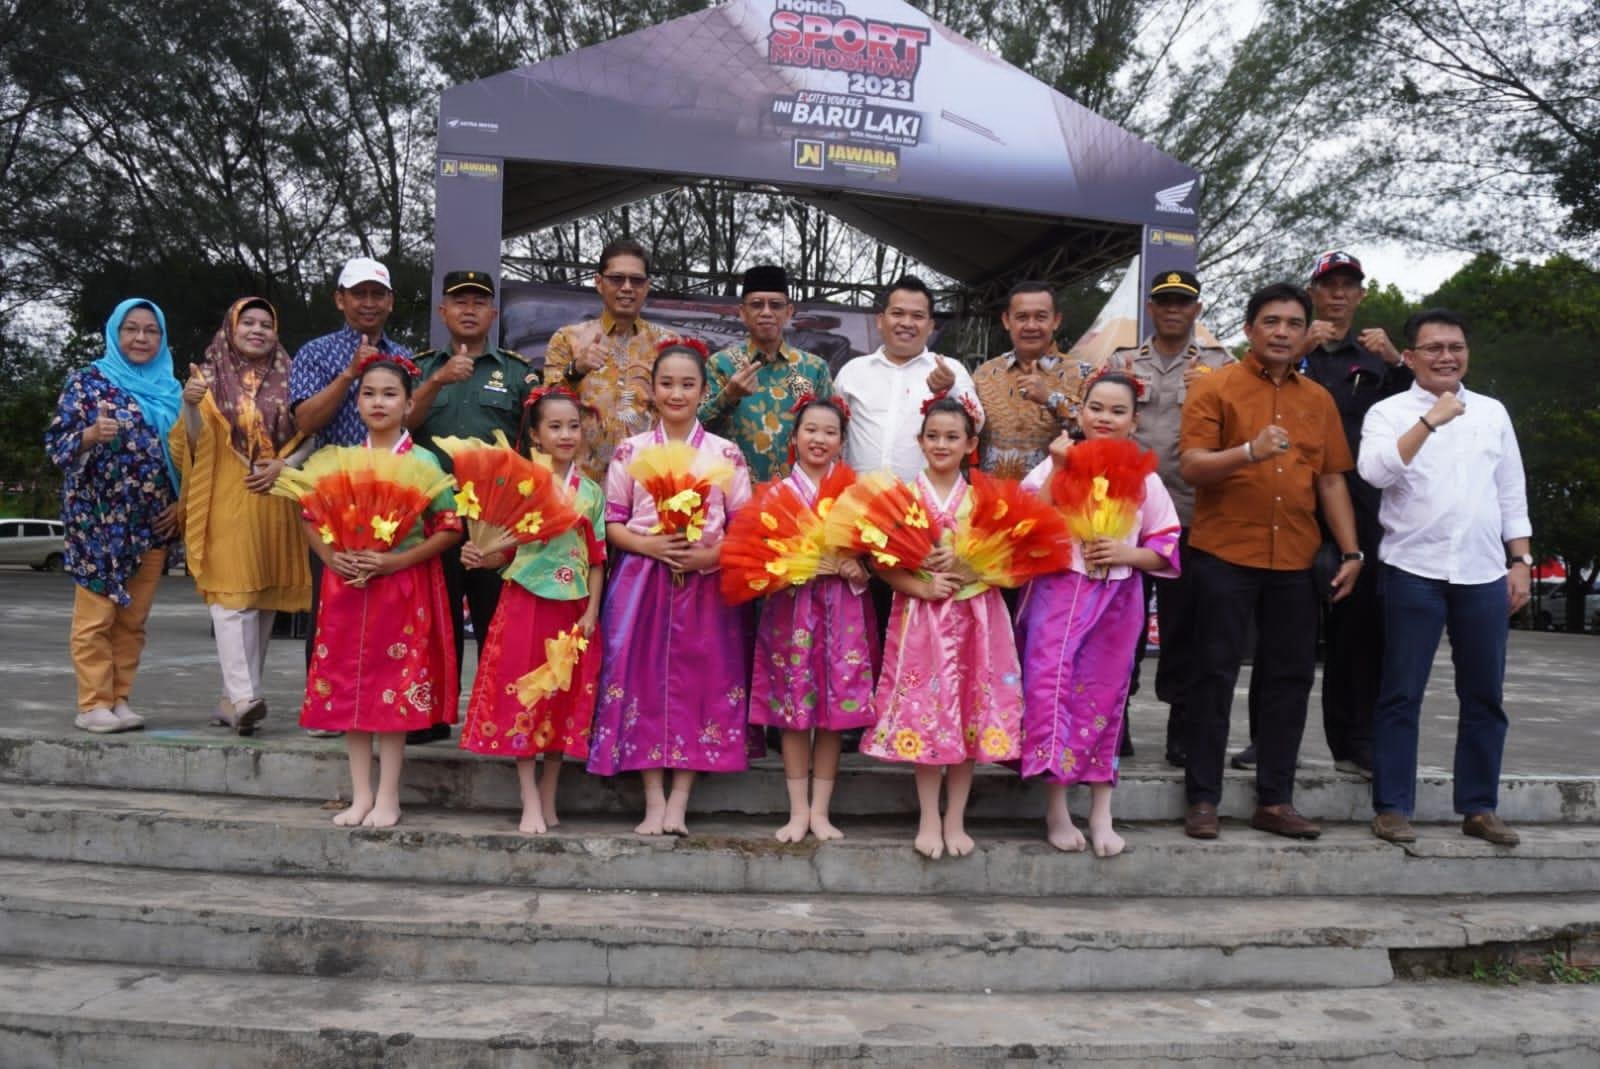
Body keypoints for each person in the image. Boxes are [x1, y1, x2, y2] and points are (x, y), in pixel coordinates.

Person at [1177, 282, 1364, 841]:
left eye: (1291, 323)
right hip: (1223, 552)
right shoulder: (1216, 387)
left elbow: (1330, 478)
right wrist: (1248, 452)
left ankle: (1275, 799)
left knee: (1289, 678)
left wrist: (1351, 551)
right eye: (1270, 321)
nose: (1281, 331)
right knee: (1213, 675)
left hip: (1296, 557)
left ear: (1306, 333)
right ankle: (1202, 798)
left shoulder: (1319, 399)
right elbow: (1191, 466)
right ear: (1248, 329)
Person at [1358, 309, 1531, 847]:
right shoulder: (1389, 412)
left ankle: (1479, 806)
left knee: (1484, 694)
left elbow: (1510, 490)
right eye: (1432, 348)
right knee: (1401, 693)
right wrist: (1432, 419)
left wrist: (1521, 560)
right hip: (1414, 570)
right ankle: (1391, 807)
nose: (1446, 356)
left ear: (1466, 353)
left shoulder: (1493, 413)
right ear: (1409, 358)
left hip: (1482, 574)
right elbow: (1375, 472)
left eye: (1455, 346)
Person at [586, 340, 755, 836]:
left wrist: (709, 556)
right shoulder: (631, 451)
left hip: (707, 588)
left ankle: (680, 799)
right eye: (667, 384)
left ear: (704, 391)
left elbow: (744, 528)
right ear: (652, 391)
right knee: (639, 682)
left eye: (688, 384)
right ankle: (653, 799)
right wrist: (651, 548)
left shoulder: (725, 453)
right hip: (642, 583)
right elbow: (612, 524)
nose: (677, 393)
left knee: (701, 686)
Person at [1016, 371, 1181, 856]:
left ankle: (1102, 810)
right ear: (1080, 411)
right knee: (1049, 690)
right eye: (1096, 408)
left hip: (1116, 601)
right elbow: (1022, 526)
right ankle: (1056, 808)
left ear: (1134, 420)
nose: (1104, 418)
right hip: (1056, 596)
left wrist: (1125, 554)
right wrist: (1056, 469)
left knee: (1105, 699)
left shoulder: (1146, 479)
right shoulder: (1054, 463)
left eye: (1117, 411)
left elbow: (1166, 548)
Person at [299, 355, 461, 828]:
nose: (378, 402)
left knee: (393, 692)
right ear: (357, 401)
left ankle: (389, 795)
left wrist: (395, 560)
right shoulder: (341, 460)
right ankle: (360, 795)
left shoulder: (424, 461)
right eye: (369, 393)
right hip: (346, 588)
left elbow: (450, 528)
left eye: (390, 394)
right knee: (350, 692)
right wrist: (331, 557)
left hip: (400, 591)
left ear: (410, 404)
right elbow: (309, 518)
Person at [861, 395, 1022, 859]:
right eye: (932, 436)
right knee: (927, 714)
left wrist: (973, 566)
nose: (941, 444)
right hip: (922, 619)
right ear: (919, 441)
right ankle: (930, 816)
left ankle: (957, 818)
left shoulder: (987, 496)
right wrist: (917, 585)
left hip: (978, 620)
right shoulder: (903, 497)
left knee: (970, 711)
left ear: (971, 443)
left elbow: (1012, 563)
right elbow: (879, 562)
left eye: (952, 437)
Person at [1281, 250, 1412, 779]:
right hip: (1290, 503)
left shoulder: (1378, 357)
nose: (1337, 294)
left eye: (1348, 286)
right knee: (1285, 628)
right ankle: (1270, 739)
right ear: (1312, 292)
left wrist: (1400, 363)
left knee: (1358, 631)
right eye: (1328, 285)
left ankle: (1353, 741)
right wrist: (1294, 353)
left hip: (1360, 508)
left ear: (1360, 295)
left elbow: (1421, 410)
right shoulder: (1291, 348)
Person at [458, 387, 605, 834]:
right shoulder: (520, 484)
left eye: (573, 426)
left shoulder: (592, 493)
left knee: (560, 702)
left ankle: (548, 793)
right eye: (554, 426)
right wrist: (483, 556)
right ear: (537, 436)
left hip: (573, 609)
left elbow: (597, 559)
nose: (566, 434)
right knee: (528, 696)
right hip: (525, 603)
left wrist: (592, 612)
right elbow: (505, 551)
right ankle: (528, 796)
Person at [1105, 270, 1232, 767]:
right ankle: (1118, 719)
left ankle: (1182, 726)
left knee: (1185, 628)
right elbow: (1098, 421)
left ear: (1197, 309)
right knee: (1123, 627)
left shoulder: (1221, 367)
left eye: (1183, 302)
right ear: (1151, 309)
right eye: (1165, 302)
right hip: (1125, 520)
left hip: (1192, 515)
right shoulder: (1120, 363)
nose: (1174, 309)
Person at [171, 297, 312, 734]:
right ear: (230, 328)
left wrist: (283, 467)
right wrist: (191, 405)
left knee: (261, 601)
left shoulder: (294, 375)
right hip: (227, 495)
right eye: (247, 322)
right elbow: (191, 446)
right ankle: (244, 696)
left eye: (265, 323)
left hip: (275, 496)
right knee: (231, 600)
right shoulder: (206, 377)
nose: (257, 330)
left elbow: (311, 435)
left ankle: (235, 699)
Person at [44, 299, 182, 734]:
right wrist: (90, 434)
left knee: (133, 620)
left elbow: (189, 456)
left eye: (150, 331)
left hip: (154, 521)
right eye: (131, 329)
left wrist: (183, 503)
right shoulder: (87, 382)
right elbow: (56, 445)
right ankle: (92, 703)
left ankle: (119, 699)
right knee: (96, 616)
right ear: (114, 333)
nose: (141, 339)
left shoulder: (173, 390)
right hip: (98, 521)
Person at [407, 270, 538, 722]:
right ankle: (431, 715)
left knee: (495, 619)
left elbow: (533, 442)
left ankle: (491, 714)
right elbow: (402, 424)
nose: (468, 310)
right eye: (459, 302)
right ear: (443, 311)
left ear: (493, 314)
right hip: (434, 516)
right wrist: (438, 381)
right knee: (433, 621)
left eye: (478, 303)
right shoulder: (421, 368)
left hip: (494, 520)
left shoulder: (517, 372)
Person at [746, 396, 878, 842]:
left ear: (842, 442)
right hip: (791, 612)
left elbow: (875, 561)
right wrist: (794, 567)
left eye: (829, 432)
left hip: (843, 614)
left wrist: (855, 569)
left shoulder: (858, 495)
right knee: (792, 709)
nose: (819, 439)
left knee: (831, 714)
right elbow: (756, 564)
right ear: (795, 437)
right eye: (811, 430)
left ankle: (821, 811)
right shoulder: (775, 494)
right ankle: (797, 810)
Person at [288, 257, 411, 725]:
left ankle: (378, 703)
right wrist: (349, 375)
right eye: (358, 293)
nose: (368, 302)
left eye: (377, 294)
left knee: (385, 605)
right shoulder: (316, 353)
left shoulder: (402, 356)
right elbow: (305, 421)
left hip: (390, 496)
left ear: (390, 302)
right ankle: (328, 707)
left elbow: (410, 421)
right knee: (331, 603)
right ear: (340, 299)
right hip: (333, 496)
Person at [543, 239, 676, 481]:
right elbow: (545, 409)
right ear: (598, 282)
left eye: (636, 280)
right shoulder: (567, 339)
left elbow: (687, 410)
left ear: (647, 287)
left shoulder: (668, 344)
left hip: (648, 483)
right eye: (617, 279)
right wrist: (577, 369)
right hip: (581, 481)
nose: (627, 287)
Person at [833, 275, 984, 481]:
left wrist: (951, 389)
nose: (906, 323)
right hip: (859, 501)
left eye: (918, 316)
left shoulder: (950, 371)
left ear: (931, 326)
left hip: (925, 504)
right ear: (880, 320)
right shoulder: (852, 371)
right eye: (897, 313)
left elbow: (977, 424)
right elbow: (832, 430)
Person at [699, 265, 834, 482]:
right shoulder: (721, 365)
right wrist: (729, 396)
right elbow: (695, 428)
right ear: (743, 312)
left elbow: (833, 433)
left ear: (789, 312)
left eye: (776, 305)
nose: (766, 312)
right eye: (757, 305)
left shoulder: (812, 368)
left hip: (797, 496)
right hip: (734, 494)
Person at [972, 281, 1088, 480]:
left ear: (1056, 320)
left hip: (1054, 500)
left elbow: (1093, 430)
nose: (1031, 326)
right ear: (1007, 321)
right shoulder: (984, 374)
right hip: (993, 501)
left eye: (1041, 317)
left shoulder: (1083, 374)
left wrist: (1050, 399)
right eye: (1022, 317)